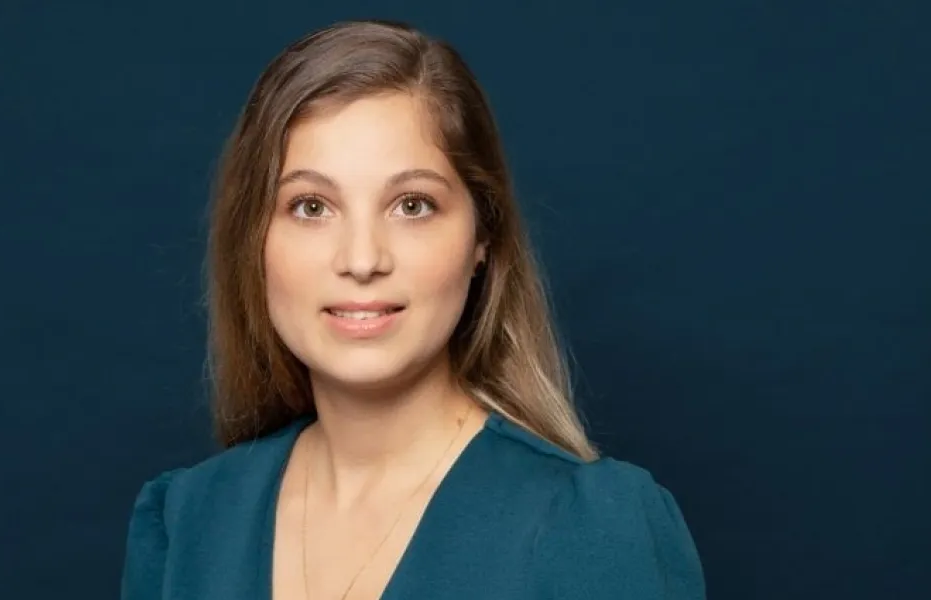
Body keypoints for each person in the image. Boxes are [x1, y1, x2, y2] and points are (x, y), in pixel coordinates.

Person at [120, 19, 705, 600]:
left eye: (412, 205)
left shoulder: (593, 530)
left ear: (482, 237)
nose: (362, 259)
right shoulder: (185, 524)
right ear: (253, 240)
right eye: (311, 207)